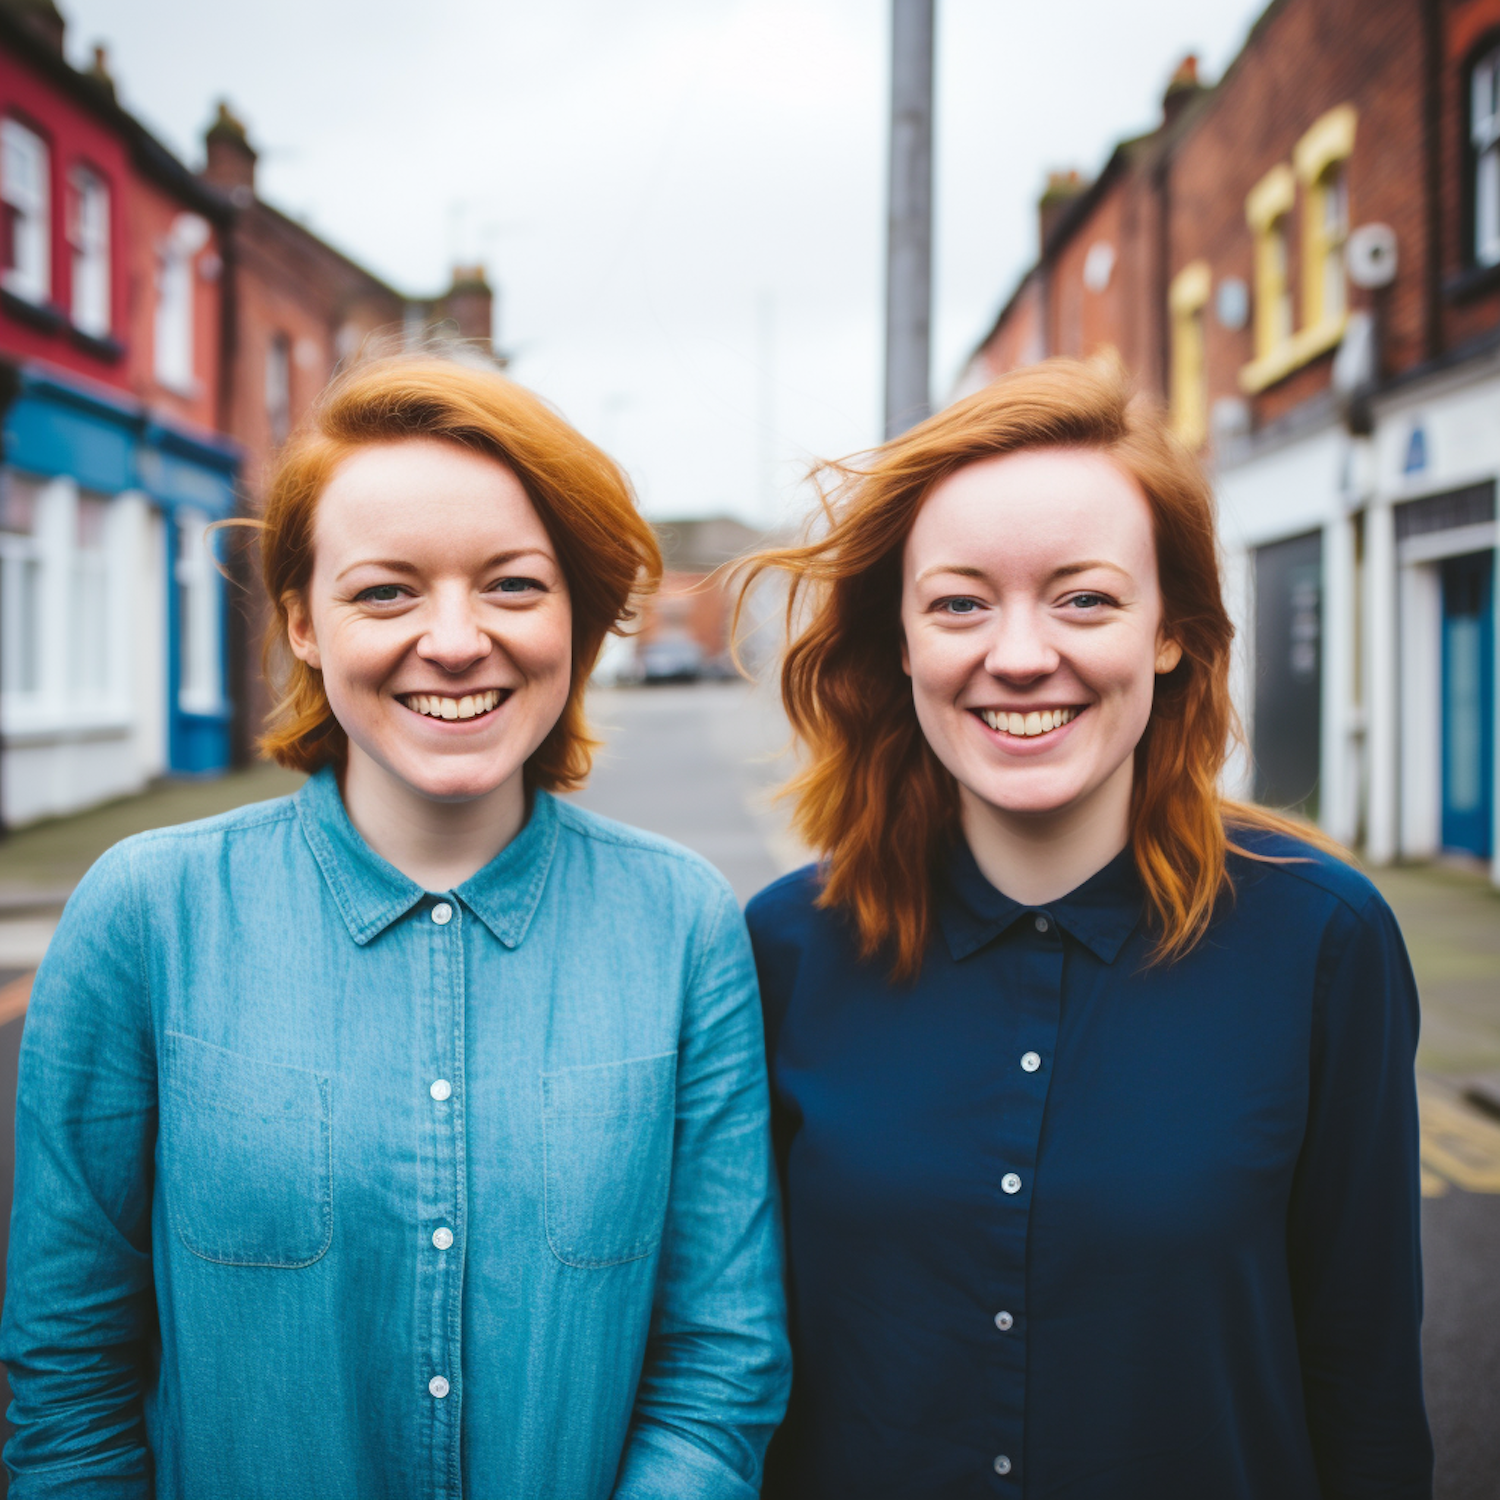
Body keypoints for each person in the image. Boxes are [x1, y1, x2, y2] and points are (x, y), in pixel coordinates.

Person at [1, 355, 789, 1499]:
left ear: (577, 613)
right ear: (303, 626)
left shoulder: (683, 927)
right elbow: (68, 1380)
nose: (457, 638)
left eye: (514, 584)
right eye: (386, 592)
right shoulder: (145, 917)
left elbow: (721, 1363)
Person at [741, 358, 1432, 1499]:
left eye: (1086, 599)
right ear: (902, 640)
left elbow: (1362, 1385)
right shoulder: (781, 951)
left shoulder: (1325, 943)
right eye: (960, 602)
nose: (1019, 655)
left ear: (1171, 632)